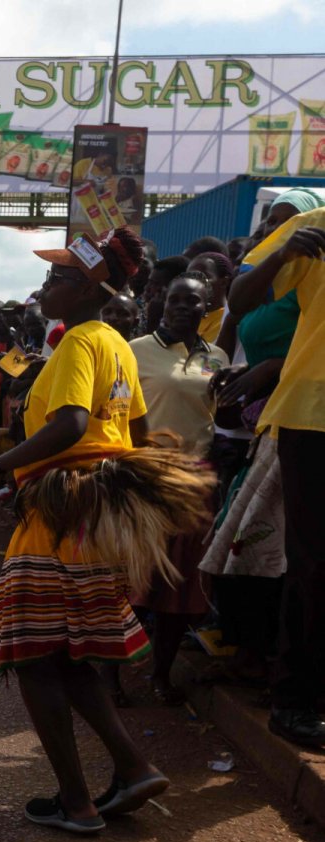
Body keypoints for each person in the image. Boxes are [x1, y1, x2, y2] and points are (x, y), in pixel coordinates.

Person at [0, 228, 212, 833]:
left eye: (56, 278)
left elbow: (69, 424)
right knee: (65, 656)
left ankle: (76, 800)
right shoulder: (114, 341)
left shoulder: (75, 345)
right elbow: (138, 432)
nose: (43, 287)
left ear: (88, 285)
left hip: (60, 518)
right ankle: (132, 768)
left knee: (37, 656)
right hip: (92, 516)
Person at [227, 204, 325, 746]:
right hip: (315, 416)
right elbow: (239, 303)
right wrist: (283, 255)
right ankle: (294, 700)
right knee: (315, 564)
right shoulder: (316, 225)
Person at [127, 271, 226, 703]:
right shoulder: (135, 351)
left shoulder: (218, 358)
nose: (184, 307)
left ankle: (160, 676)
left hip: (194, 481)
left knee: (179, 588)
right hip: (144, 477)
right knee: (134, 583)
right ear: (161, 303)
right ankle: (111, 676)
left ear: (206, 308)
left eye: (194, 302)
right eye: (176, 300)